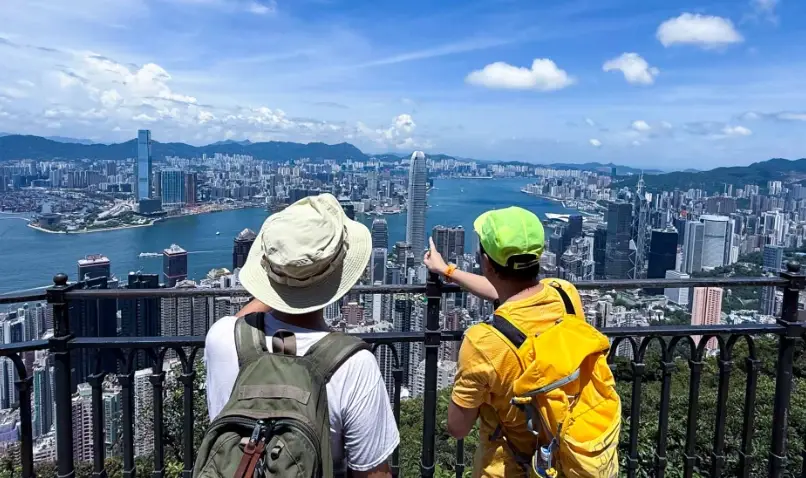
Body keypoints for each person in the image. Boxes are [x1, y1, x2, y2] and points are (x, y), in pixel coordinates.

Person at [204, 193, 399, 478]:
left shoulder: (221, 338)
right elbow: (374, 475)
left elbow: (248, 316)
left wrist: (287, 279)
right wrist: (305, 280)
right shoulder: (353, 366)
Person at [424, 206, 586, 478]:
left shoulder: (484, 343)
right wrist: (448, 270)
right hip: (567, 460)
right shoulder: (565, 295)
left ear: (486, 263)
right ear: (538, 256)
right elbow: (514, 292)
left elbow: (457, 428)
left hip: (509, 469)